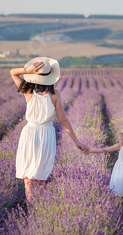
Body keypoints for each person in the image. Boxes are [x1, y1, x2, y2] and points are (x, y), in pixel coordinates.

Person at [11, 57, 88, 204]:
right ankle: (40, 211)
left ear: (34, 76)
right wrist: (76, 142)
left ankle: (31, 212)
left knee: (28, 180)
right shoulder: (55, 95)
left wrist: (27, 70)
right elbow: (64, 121)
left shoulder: (28, 91)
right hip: (46, 135)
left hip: (29, 134)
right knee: (41, 179)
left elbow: (13, 72)